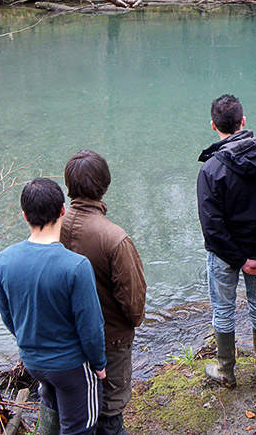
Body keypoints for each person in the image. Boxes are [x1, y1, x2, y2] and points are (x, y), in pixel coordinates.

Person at [0, 178, 106, 435]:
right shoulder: (76, 266)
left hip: (33, 361)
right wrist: (99, 363)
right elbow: (90, 325)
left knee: (51, 415)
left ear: (24, 216)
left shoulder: (5, 260)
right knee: (80, 428)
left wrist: (30, 343)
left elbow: (8, 316)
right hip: (72, 367)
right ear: (63, 210)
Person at [196, 94, 256, 388]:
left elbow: (212, 226)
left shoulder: (211, 169)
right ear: (243, 122)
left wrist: (238, 260)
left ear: (213, 126)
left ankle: (226, 371)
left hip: (225, 255)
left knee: (223, 310)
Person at [60, 150, 147, 435]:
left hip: (65, 338)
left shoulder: (51, 228)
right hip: (111, 338)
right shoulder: (115, 238)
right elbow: (133, 304)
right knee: (109, 412)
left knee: (74, 411)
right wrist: (131, 324)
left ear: (68, 186)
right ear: (104, 185)